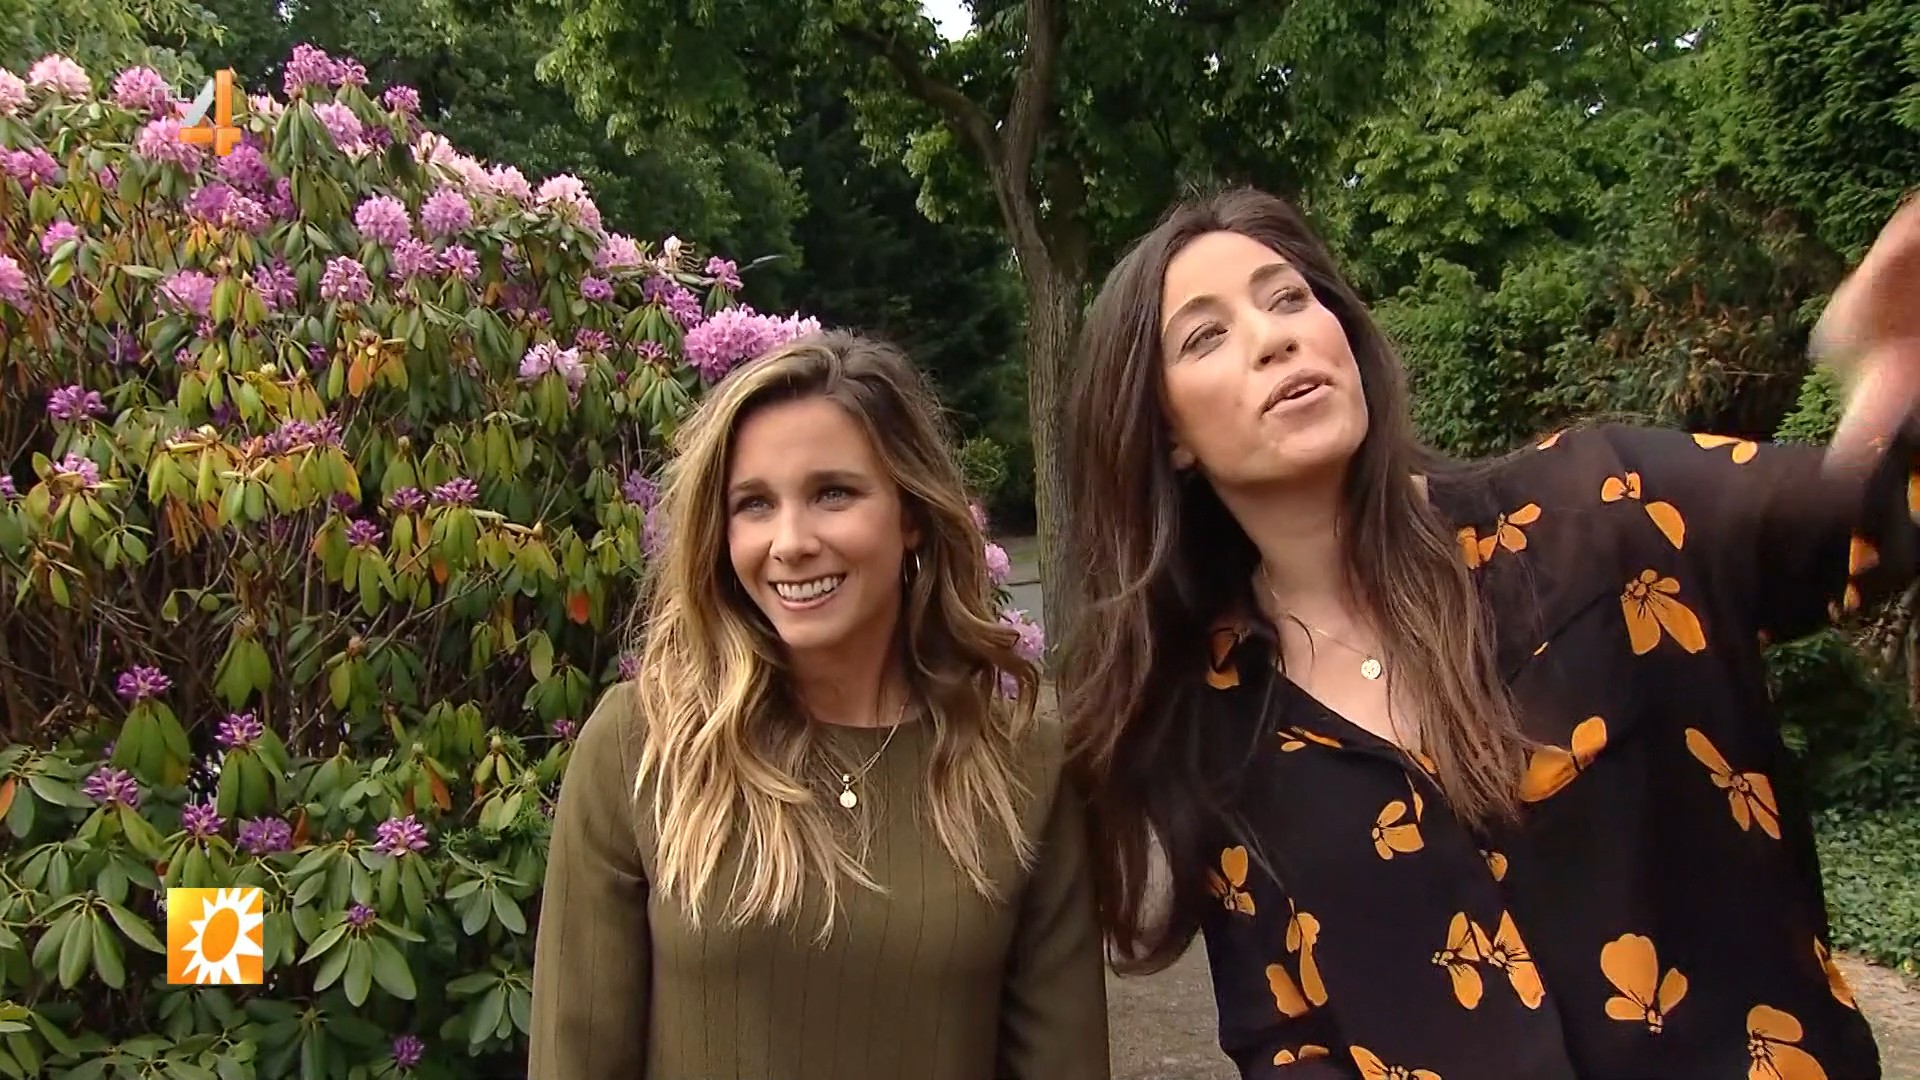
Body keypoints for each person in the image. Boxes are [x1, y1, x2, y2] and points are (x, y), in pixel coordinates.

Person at [1057, 186, 1920, 1079]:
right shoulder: (1210, 727)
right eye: (1206, 336)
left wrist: (1902, 372)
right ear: (1168, 435)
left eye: (1288, 298)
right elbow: (1285, 1036)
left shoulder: (1609, 510)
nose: (1274, 337)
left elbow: (1878, 518)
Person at [529, 331, 1110, 1080]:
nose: (791, 542)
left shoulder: (1022, 766)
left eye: (833, 493)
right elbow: (575, 1056)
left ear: (910, 514)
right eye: (754, 504)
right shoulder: (641, 746)